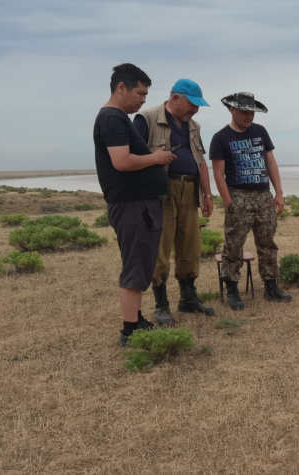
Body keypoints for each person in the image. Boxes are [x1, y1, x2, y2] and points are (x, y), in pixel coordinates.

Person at [92, 63, 176, 347]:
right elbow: (122, 162)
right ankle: (130, 331)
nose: (143, 100)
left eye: (146, 94)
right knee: (135, 266)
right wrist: (155, 158)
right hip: (132, 205)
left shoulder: (118, 118)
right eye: (140, 93)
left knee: (141, 264)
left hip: (138, 204)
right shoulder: (112, 118)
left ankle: (137, 320)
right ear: (121, 87)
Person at [133, 79, 215, 325]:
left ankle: (188, 298)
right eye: (192, 104)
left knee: (190, 245)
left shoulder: (194, 126)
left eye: (198, 106)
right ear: (176, 98)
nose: (195, 110)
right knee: (160, 247)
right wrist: (155, 158)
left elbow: (201, 162)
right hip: (161, 192)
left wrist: (208, 194)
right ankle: (161, 304)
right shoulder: (146, 119)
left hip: (190, 190)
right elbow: (131, 156)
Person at [209, 92, 292, 310]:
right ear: (232, 110)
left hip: (264, 197)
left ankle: (271, 286)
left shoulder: (260, 132)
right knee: (233, 245)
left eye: (252, 112)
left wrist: (279, 193)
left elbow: (271, 162)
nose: (249, 116)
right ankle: (233, 291)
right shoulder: (221, 137)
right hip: (238, 196)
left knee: (267, 243)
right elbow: (218, 173)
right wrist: (229, 201)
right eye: (245, 112)